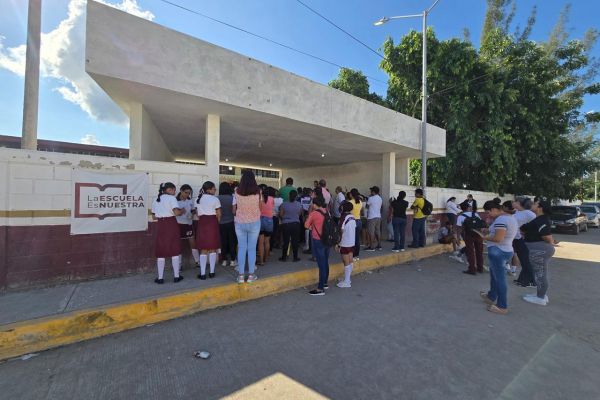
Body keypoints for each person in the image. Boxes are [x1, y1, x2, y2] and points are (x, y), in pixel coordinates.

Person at [480, 200, 518, 315]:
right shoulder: (509, 218)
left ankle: (502, 306)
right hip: (504, 250)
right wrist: (488, 230)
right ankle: (491, 296)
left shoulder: (501, 220)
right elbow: (500, 233)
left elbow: (498, 239)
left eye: (488, 212)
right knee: (495, 276)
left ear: (493, 210)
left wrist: (484, 237)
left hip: (499, 251)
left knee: (500, 279)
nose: (488, 215)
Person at [521, 199, 557, 306]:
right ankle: (541, 294)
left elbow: (547, 236)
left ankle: (540, 298)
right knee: (540, 273)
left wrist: (550, 243)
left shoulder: (542, 219)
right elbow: (525, 229)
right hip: (537, 249)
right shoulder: (539, 219)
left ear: (540, 208)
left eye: (535, 204)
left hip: (539, 250)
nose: (533, 205)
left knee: (540, 274)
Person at [151, 182, 184, 284]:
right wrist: (182, 210)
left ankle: (160, 278)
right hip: (171, 224)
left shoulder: (156, 200)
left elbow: (154, 216)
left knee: (161, 250)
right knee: (174, 249)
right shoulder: (171, 198)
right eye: (174, 190)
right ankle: (176, 276)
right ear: (169, 190)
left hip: (161, 225)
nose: (175, 192)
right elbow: (176, 212)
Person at [233, 170, 261, 283]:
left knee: (241, 248)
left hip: (240, 222)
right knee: (252, 248)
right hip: (254, 222)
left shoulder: (236, 191)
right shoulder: (258, 191)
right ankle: (250, 276)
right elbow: (260, 208)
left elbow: (235, 208)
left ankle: (240, 276)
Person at [304, 196, 330, 295]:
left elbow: (306, 225)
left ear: (314, 204)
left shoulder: (314, 213)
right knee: (325, 262)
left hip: (318, 240)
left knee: (321, 264)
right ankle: (325, 283)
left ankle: (320, 289)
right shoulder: (326, 211)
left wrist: (312, 225)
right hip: (327, 240)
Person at [195, 181, 221, 280]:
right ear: (209, 189)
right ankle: (212, 272)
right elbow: (219, 214)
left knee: (203, 249)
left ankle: (202, 274)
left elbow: (197, 214)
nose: (215, 190)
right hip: (212, 222)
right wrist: (216, 222)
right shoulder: (215, 199)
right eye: (214, 189)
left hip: (202, 223)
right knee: (213, 248)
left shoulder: (198, 199)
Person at [512, 197, 536, 287]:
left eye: (514, 201)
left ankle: (531, 281)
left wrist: (525, 232)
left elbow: (535, 226)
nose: (513, 202)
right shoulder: (518, 212)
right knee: (523, 260)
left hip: (523, 240)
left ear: (519, 203)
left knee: (525, 260)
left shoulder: (529, 214)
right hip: (516, 239)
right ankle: (522, 279)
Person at [176, 184, 200, 269]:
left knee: (193, 243)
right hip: (178, 225)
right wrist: (180, 212)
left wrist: (192, 214)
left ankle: (198, 262)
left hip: (189, 224)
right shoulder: (175, 201)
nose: (187, 195)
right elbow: (173, 213)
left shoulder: (190, 200)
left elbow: (193, 210)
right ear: (181, 191)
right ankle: (178, 265)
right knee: (178, 246)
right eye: (186, 192)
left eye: (189, 193)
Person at [456, 202, 483, 272]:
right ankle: (480, 268)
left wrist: (458, 238)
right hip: (478, 234)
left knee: (470, 252)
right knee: (479, 251)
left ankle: (472, 269)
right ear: (468, 207)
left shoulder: (461, 216)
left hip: (468, 235)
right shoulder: (476, 214)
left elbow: (459, 228)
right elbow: (481, 224)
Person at [279, 190, 303, 262]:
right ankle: (295, 257)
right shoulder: (299, 204)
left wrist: (286, 217)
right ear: (296, 196)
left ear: (289, 195)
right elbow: (299, 214)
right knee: (295, 241)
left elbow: (281, 214)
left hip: (286, 224)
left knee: (285, 241)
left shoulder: (284, 204)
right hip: (296, 224)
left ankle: (284, 257)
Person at [336, 201, 356, 288]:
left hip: (344, 242)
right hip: (351, 241)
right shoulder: (352, 216)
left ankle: (347, 281)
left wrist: (337, 243)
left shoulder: (343, 217)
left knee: (346, 261)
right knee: (350, 259)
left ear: (343, 208)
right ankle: (347, 278)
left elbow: (341, 230)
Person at [217, 182, 237, 268]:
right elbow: (234, 212)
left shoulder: (217, 198)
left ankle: (224, 260)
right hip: (231, 222)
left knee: (223, 242)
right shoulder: (232, 198)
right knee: (232, 242)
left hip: (220, 223)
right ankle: (232, 260)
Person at [257, 187, 275, 266]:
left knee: (260, 242)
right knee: (267, 241)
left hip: (260, 220)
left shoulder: (259, 199)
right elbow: (272, 208)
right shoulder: (272, 199)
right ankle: (266, 258)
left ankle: (261, 261)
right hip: (269, 221)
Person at [365, 186, 383, 251]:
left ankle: (372, 247)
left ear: (373, 191)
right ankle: (379, 245)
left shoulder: (371, 198)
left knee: (371, 232)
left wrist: (368, 199)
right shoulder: (380, 198)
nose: (370, 192)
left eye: (371, 191)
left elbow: (367, 206)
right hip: (378, 216)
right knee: (378, 231)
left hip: (371, 217)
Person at [349, 188, 363, 261]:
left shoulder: (350, 202)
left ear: (351, 194)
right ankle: (356, 255)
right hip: (359, 221)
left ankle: (352, 254)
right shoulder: (360, 202)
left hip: (352, 221)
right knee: (357, 239)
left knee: (351, 239)